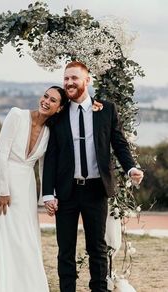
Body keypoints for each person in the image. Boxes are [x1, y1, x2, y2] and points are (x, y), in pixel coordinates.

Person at [42, 61, 144, 292]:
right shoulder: (58, 114)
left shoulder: (106, 110)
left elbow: (119, 144)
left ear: (87, 80)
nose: (69, 82)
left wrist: (131, 168)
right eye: (66, 78)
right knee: (65, 250)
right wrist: (48, 192)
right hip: (67, 191)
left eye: (74, 78)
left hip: (96, 189)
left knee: (97, 248)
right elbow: (52, 157)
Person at [0, 86, 68, 292]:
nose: (46, 101)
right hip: (1, 187)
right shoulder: (17, 115)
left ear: (59, 108)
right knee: (1, 241)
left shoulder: (50, 132)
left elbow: (43, 166)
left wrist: (46, 197)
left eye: (53, 100)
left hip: (26, 188)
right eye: (45, 96)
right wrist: (4, 190)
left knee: (26, 239)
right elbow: (1, 153)